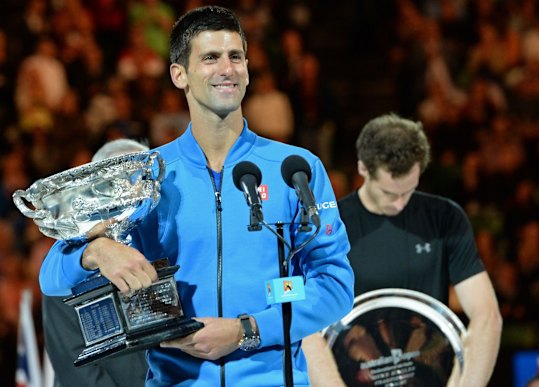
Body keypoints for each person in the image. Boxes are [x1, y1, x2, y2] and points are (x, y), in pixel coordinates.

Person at [38, 5, 354, 387]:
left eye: (236, 56)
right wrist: (98, 251)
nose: (227, 68)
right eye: (210, 58)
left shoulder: (295, 169)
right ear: (179, 75)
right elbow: (51, 276)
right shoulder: (147, 175)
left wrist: (246, 330)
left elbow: (335, 286)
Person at [304, 113, 502, 387]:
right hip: (353, 374)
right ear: (363, 168)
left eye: (409, 190)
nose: (399, 204)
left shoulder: (445, 217)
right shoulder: (329, 227)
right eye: (389, 193)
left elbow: (486, 316)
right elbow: (307, 326)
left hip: (431, 374)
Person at [42, 138, 150, 387]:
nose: (132, 193)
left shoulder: (162, 247)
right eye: (119, 183)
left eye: (142, 180)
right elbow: (73, 362)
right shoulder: (69, 261)